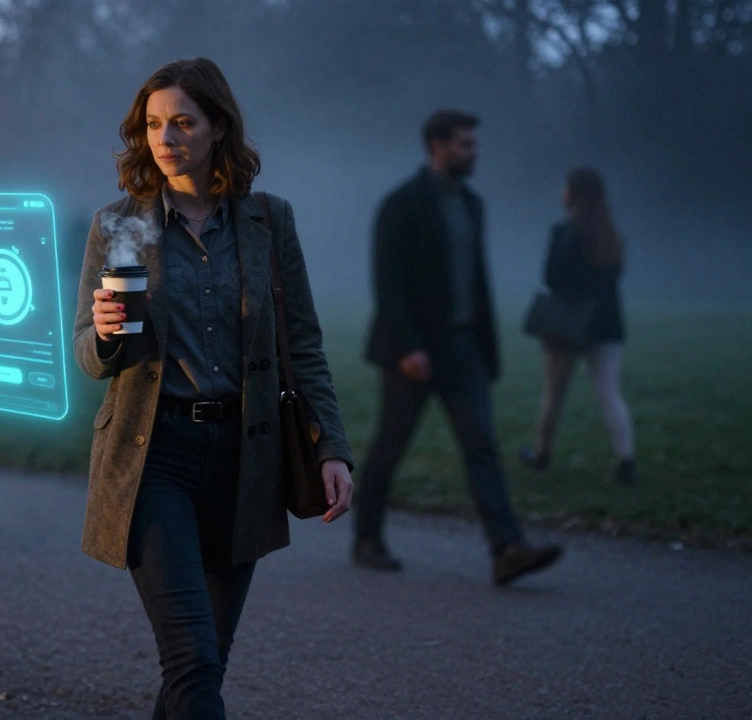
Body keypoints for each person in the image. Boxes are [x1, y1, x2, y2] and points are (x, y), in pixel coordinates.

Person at [73, 57, 354, 719]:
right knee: (193, 661)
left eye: (182, 122)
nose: (165, 138)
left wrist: (331, 447)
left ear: (218, 126)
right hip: (153, 458)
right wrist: (108, 334)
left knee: (199, 671)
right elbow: (88, 355)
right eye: (153, 124)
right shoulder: (121, 223)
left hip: (243, 462)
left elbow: (303, 346)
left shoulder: (267, 221)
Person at [353, 110, 562, 586]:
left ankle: (506, 548)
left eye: (474, 144)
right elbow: (388, 284)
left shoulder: (471, 204)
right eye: (465, 144)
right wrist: (408, 346)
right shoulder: (402, 204)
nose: (474, 153)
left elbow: (476, 279)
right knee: (391, 446)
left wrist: (486, 348)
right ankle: (367, 539)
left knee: (482, 446)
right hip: (414, 353)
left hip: (464, 349)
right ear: (437, 146)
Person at [518, 168, 635, 484]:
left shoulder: (563, 231)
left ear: (573, 192)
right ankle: (626, 459)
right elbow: (613, 278)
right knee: (610, 394)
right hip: (607, 323)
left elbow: (552, 277)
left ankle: (542, 454)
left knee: (554, 394)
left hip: (568, 324)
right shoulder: (612, 237)